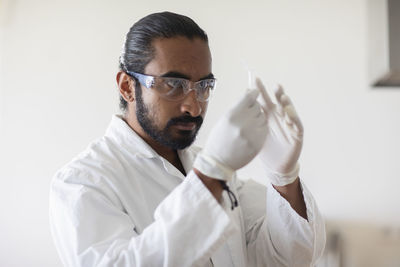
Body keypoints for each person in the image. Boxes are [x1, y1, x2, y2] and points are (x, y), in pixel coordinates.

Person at [49, 11, 325, 267]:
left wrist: (284, 176)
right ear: (127, 87)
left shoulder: (217, 173)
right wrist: (211, 173)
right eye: (174, 85)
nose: (193, 107)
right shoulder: (83, 182)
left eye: (204, 86)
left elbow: (288, 258)